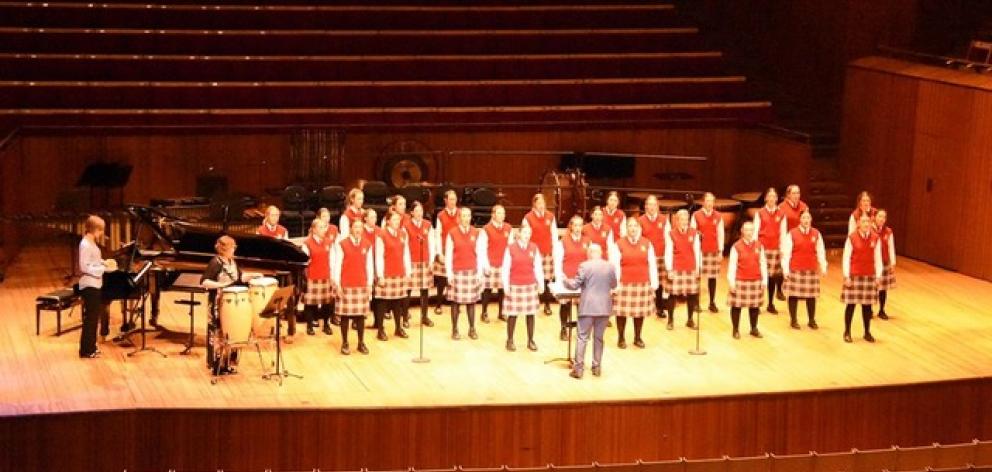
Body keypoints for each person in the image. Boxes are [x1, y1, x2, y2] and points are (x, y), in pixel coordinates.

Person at [201, 235, 256, 373]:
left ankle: (228, 363)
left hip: (232, 305)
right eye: (232, 247)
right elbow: (204, 282)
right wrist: (221, 284)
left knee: (232, 330)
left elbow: (238, 278)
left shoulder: (232, 261)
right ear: (224, 249)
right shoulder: (215, 263)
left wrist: (251, 276)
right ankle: (217, 365)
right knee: (219, 331)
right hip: (218, 303)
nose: (234, 249)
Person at [563, 243, 617, 379]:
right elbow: (614, 284)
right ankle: (597, 367)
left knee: (582, 338)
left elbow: (574, 285)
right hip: (604, 308)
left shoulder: (584, 266)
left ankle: (578, 369)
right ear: (600, 253)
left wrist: (565, 280)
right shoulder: (610, 266)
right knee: (599, 338)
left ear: (590, 253)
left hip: (588, 307)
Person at [610, 218, 658, 348]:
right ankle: (621, 338)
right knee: (621, 313)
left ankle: (637, 337)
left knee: (639, 312)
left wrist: (653, 284)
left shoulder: (647, 244)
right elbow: (614, 266)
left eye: (635, 226)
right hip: (624, 283)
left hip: (642, 283)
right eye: (630, 226)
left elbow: (652, 264)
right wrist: (615, 284)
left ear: (638, 228)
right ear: (626, 228)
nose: (632, 228)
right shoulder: (618, 244)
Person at [331, 217, 374, 355]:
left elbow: (369, 266)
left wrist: (369, 284)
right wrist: (337, 284)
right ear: (351, 228)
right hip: (346, 284)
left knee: (361, 316)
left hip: (361, 284)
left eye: (360, 227)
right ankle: (345, 342)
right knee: (345, 316)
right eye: (355, 227)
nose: (358, 230)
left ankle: (361, 342)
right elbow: (337, 265)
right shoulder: (342, 244)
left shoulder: (367, 244)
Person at [77, 215, 117, 359]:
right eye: (101, 231)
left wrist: (103, 262)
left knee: (94, 318)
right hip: (89, 284)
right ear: (95, 230)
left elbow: (93, 260)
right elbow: (84, 266)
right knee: (91, 319)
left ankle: (91, 347)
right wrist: (103, 269)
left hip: (95, 283)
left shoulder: (90, 242)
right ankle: (86, 351)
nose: (102, 234)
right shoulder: (85, 244)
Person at [781, 209, 827, 330]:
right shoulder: (792, 234)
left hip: (811, 269)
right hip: (795, 269)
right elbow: (786, 254)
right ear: (799, 220)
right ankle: (794, 320)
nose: (806, 220)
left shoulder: (816, 234)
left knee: (811, 296)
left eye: (808, 218)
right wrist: (785, 270)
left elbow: (821, 251)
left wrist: (823, 266)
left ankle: (811, 320)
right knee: (793, 295)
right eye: (804, 218)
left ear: (811, 220)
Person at [500, 226, 544, 351]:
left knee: (530, 314)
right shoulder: (511, 248)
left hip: (530, 285)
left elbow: (538, 267)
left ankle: (530, 340)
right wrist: (506, 285)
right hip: (514, 285)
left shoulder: (534, 248)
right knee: (512, 314)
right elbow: (505, 268)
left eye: (529, 233)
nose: (527, 235)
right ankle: (510, 340)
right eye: (525, 232)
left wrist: (540, 283)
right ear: (518, 233)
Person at [841, 215, 884, 343]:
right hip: (854, 275)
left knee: (867, 306)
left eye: (868, 221)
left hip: (869, 275)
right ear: (858, 223)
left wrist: (878, 276)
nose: (866, 223)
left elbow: (878, 258)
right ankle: (847, 331)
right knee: (851, 305)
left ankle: (867, 332)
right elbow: (846, 257)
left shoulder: (876, 238)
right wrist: (846, 276)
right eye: (863, 221)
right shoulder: (852, 238)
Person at [444, 207, 485, 340]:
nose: (466, 218)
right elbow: (449, 255)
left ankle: (472, 329)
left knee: (471, 302)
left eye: (468, 216)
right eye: (464, 216)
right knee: (455, 302)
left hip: (472, 271)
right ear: (459, 217)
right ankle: (454, 329)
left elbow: (480, 254)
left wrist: (479, 273)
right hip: (457, 272)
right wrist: (449, 274)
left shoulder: (476, 233)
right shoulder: (452, 233)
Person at [373, 210, 412, 341]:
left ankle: (398, 327)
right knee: (382, 302)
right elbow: (378, 256)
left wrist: (408, 271)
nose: (397, 222)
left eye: (398, 220)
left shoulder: (403, 234)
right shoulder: (381, 235)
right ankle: (380, 330)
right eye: (394, 220)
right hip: (386, 273)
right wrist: (380, 275)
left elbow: (406, 253)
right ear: (388, 221)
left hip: (399, 272)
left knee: (398, 301)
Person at [726, 222, 768, 339]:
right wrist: (732, 282)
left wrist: (764, 280)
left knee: (754, 306)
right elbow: (732, 266)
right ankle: (735, 329)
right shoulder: (736, 247)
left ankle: (753, 328)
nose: (749, 232)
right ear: (742, 231)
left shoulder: (759, 246)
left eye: (751, 230)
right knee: (736, 306)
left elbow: (763, 263)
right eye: (747, 230)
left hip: (755, 280)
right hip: (740, 280)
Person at [553, 215, 590, 341]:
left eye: (580, 225)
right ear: (571, 226)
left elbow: (590, 260)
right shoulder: (562, 241)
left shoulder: (587, 241)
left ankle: (581, 330)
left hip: (582, 279)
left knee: (582, 306)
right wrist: (560, 277)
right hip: (567, 278)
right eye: (575, 225)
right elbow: (558, 261)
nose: (578, 228)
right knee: (565, 305)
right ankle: (564, 328)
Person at [521, 193, 558, 316]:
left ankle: (547, 305)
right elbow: (525, 235)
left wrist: (554, 251)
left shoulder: (551, 217)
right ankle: (533, 304)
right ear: (534, 204)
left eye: (543, 203)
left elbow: (554, 235)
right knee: (534, 279)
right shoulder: (528, 218)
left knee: (547, 280)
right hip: (534, 253)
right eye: (539, 203)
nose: (541, 205)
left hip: (547, 252)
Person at [664, 210, 701, 331]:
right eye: (682, 219)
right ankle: (670, 320)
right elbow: (668, 252)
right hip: (676, 267)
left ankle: (690, 320)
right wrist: (669, 269)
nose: (684, 222)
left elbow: (697, 251)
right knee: (672, 294)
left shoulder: (694, 233)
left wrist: (697, 268)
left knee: (692, 295)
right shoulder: (671, 234)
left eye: (686, 219)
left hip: (690, 267)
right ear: (677, 220)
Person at [402, 201, 435, 328]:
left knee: (425, 291)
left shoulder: (428, 225)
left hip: (425, 261)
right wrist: (407, 264)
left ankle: (424, 316)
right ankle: (405, 317)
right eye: (417, 211)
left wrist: (431, 261)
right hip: (411, 262)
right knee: (408, 291)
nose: (419, 213)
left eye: (421, 211)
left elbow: (431, 243)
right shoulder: (406, 226)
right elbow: (404, 247)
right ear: (412, 213)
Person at [300, 219, 335, 336]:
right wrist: (306, 277)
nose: (323, 230)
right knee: (310, 303)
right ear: (314, 229)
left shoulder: (329, 242)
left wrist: (333, 276)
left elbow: (332, 260)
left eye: (324, 227)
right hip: (312, 276)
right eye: (320, 227)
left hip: (326, 276)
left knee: (327, 303)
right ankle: (310, 326)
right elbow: (304, 262)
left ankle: (326, 324)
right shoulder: (307, 243)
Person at [691, 192, 725, 313]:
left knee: (712, 277)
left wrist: (721, 251)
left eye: (712, 201)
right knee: (697, 277)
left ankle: (712, 302)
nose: (710, 203)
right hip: (700, 251)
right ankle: (696, 302)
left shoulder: (718, 216)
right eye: (707, 201)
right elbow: (692, 233)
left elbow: (721, 234)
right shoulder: (696, 215)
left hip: (713, 250)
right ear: (703, 202)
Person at [754, 187, 786, 313]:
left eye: (774, 196)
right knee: (760, 276)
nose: (772, 199)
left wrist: (782, 248)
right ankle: (757, 304)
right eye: (770, 196)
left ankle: (771, 303)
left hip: (775, 249)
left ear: (777, 199)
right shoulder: (760, 213)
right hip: (762, 248)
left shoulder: (781, 214)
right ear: (766, 198)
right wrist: (755, 247)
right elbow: (756, 231)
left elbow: (783, 232)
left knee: (772, 277)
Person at [638, 195, 670, 319]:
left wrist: (668, 254)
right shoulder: (640, 220)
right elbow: (639, 239)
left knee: (661, 282)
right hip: (646, 256)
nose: (651, 207)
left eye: (654, 205)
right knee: (646, 281)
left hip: (661, 255)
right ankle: (644, 306)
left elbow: (668, 238)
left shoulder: (664, 220)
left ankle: (660, 307)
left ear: (657, 206)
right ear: (646, 206)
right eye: (649, 204)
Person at [479, 204, 512, 322]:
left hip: (503, 264)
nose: (501, 215)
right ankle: (484, 312)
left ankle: (501, 312)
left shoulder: (508, 228)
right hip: (490, 263)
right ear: (493, 215)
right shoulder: (486, 229)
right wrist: (485, 265)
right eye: (499, 213)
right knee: (487, 289)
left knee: (502, 289)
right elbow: (482, 248)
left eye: (503, 213)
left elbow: (510, 246)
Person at [433, 189, 460, 314]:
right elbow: (437, 235)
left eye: (454, 199)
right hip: (445, 250)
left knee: (457, 279)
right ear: (445, 200)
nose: (453, 202)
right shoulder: (440, 215)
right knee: (442, 280)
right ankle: (438, 304)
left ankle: (456, 304)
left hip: (458, 251)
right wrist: (439, 253)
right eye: (450, 199)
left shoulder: (461, 214)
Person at [874, 209, 897, 320]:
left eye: (884, 217)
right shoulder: (870, 230)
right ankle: (868, 311)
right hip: (873, 264)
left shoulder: (888, 232)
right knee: (872, 288)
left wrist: (893, 263)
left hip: (885, 262)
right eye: (880, 216)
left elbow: (891, 247)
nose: (881, 219)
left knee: (883, 289)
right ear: (875, 217)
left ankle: (881, 310)